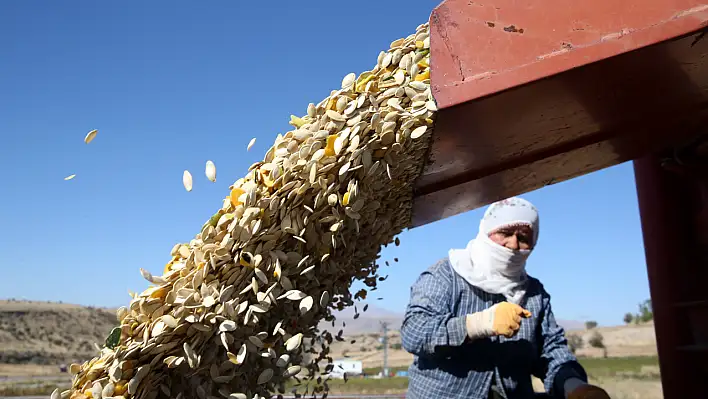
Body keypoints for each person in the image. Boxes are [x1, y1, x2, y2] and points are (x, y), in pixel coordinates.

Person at [401, 197, 610, 399]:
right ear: (486, 231)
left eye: (523, 238)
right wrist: (477, 324)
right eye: (505, 232)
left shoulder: (534, 293)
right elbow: (415, 332)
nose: (513, 244)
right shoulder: (445, 274)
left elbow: (551, 351)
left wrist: (574, 386)